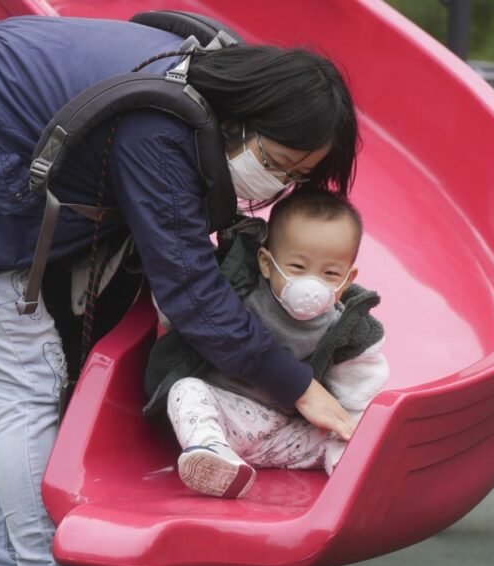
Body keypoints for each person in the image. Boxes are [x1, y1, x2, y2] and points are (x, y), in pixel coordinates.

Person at [0, 14, 358, 566]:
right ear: (243, 120)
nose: (276, 184)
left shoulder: (200, 68)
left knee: (3, 380)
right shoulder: (161, 127)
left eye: (296, 177)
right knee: (28, 375)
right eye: (274, 163)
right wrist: (299, 387)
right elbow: (191, 291)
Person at [147, 192, 389, 498]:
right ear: (265, 262)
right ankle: (213, 453)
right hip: (225, 414)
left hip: (284, 434)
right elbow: (185, 312)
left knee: (344, 431)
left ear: (348, 278)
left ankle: (348, 471)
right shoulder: (236, 289)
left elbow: (359, 389)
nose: (311, 285)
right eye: (298, 268)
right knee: (187, 391)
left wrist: (350, 432)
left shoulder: (345, 327)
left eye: (330, 274)